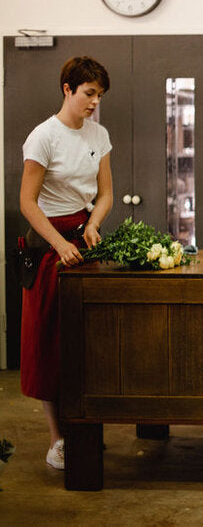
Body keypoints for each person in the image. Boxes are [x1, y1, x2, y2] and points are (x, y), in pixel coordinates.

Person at [19, 56, 113, 470]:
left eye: (99, 95)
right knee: (51, 343)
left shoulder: (99, 134)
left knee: (88, 341)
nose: (94, 102)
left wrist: (93, 223)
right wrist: (58, 244)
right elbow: (26, 201)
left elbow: (106, 192)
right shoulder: (43, 137)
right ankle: (58, 440)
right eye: (89, 93)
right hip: (49, 244)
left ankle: (86, 429)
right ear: (67, 89)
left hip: (83, 239)